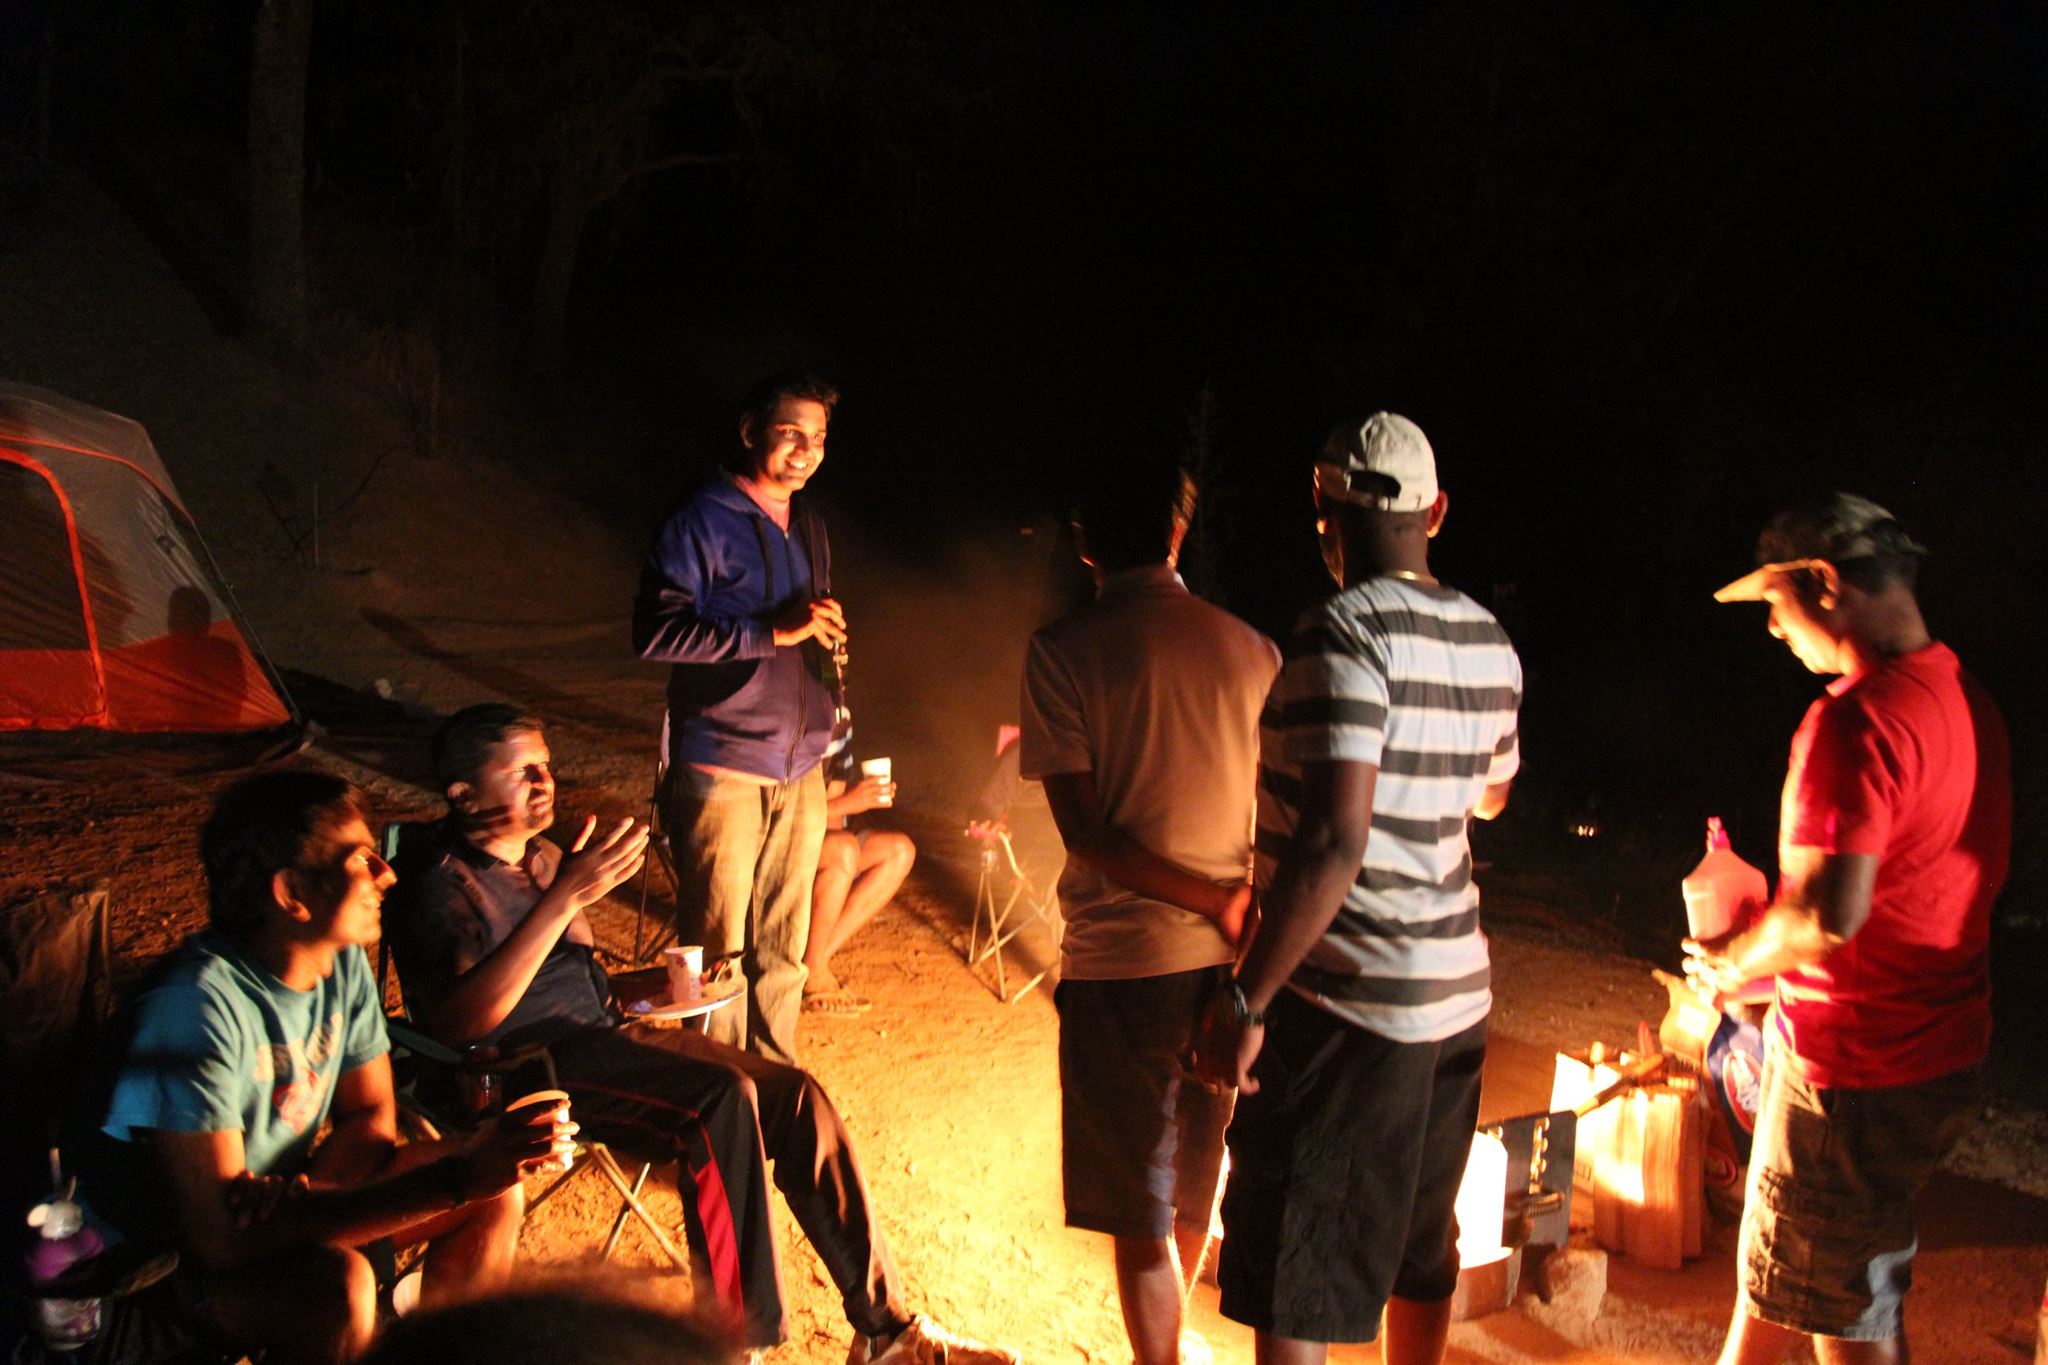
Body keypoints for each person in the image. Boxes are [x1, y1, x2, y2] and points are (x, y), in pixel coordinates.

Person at [384, 703, 1016, 1365]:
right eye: (522, 772)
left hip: (607, 1036)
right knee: (718, 1098)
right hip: (526, 1069)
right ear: (463, 793)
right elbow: (461, 1022)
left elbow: (583, 984)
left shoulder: (544, 858)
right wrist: (565, 898)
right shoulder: (438, 881)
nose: (545, 782)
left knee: (795, 1095)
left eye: (546, 765)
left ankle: (887, 1328)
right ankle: (733, 1344)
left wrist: (666, 987)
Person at [1195, 412, 1521, 1365]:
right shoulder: (1488, 641)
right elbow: (1494, 795)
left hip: (1350, 1009)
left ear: (1323, 509)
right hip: (1457, 1000)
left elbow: (1333, 842)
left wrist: (1245, 995)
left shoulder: (1340, 633)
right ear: (1437, 510)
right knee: (1422, 1243)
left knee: (1303, 1264)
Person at [1685, 493, 2010, 1365]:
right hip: (1935, 1046)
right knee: (1787, 1269)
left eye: (1775, 604)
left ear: (1825, 582)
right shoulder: (1964, 700)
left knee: (1844, 1309)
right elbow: (1915, 888)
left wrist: (1733, 957)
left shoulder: (1855, 720)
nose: (1772, 629)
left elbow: (1828, 915)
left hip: (1855, 1069)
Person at [98, 771, 570, 1364]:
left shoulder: (338, 964)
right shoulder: (191, 1008)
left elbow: (372, 1112)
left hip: (272, 1214)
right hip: (159, 1274)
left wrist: (307, 1195)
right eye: (361, 860)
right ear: (292, 893)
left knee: (493, 1197)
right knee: (339, 1286)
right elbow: (218, 1239)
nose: (387, 874)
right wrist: (454, 1179)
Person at [1019, 458, 1280, 1365]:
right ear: (1177, 531)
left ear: (1085, 540)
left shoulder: (1061, 652)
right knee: (1198, 1168)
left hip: (1120, 962)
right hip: (1229, 961)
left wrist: (1209, 896)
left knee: (1139, 1200)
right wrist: (1235, 908)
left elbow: (1087, 835)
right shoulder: (1253, 650)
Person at [633, 370, 847, 1064]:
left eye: (817, 438)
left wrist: (824, 644)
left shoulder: (809, 524)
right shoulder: (702, 517)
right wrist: (771, 632)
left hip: (801, 765)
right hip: (722, 760)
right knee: (720, 950)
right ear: (750, 430)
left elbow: (800, 624)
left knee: (784, 948)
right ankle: (720, 1095)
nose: (806, 451)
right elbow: (655, 633)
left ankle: (774, 1085)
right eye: (791, 434)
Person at [803, 764, 916, 1014]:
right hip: (786, 840)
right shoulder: (799, 730)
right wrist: (850, 803)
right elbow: (785, 815)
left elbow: (832, 813)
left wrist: (855, 798)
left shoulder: (839, 729)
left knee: (899, 851)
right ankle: (812, 970)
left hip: (821, 840)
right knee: (843, 849)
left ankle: (813, 962)